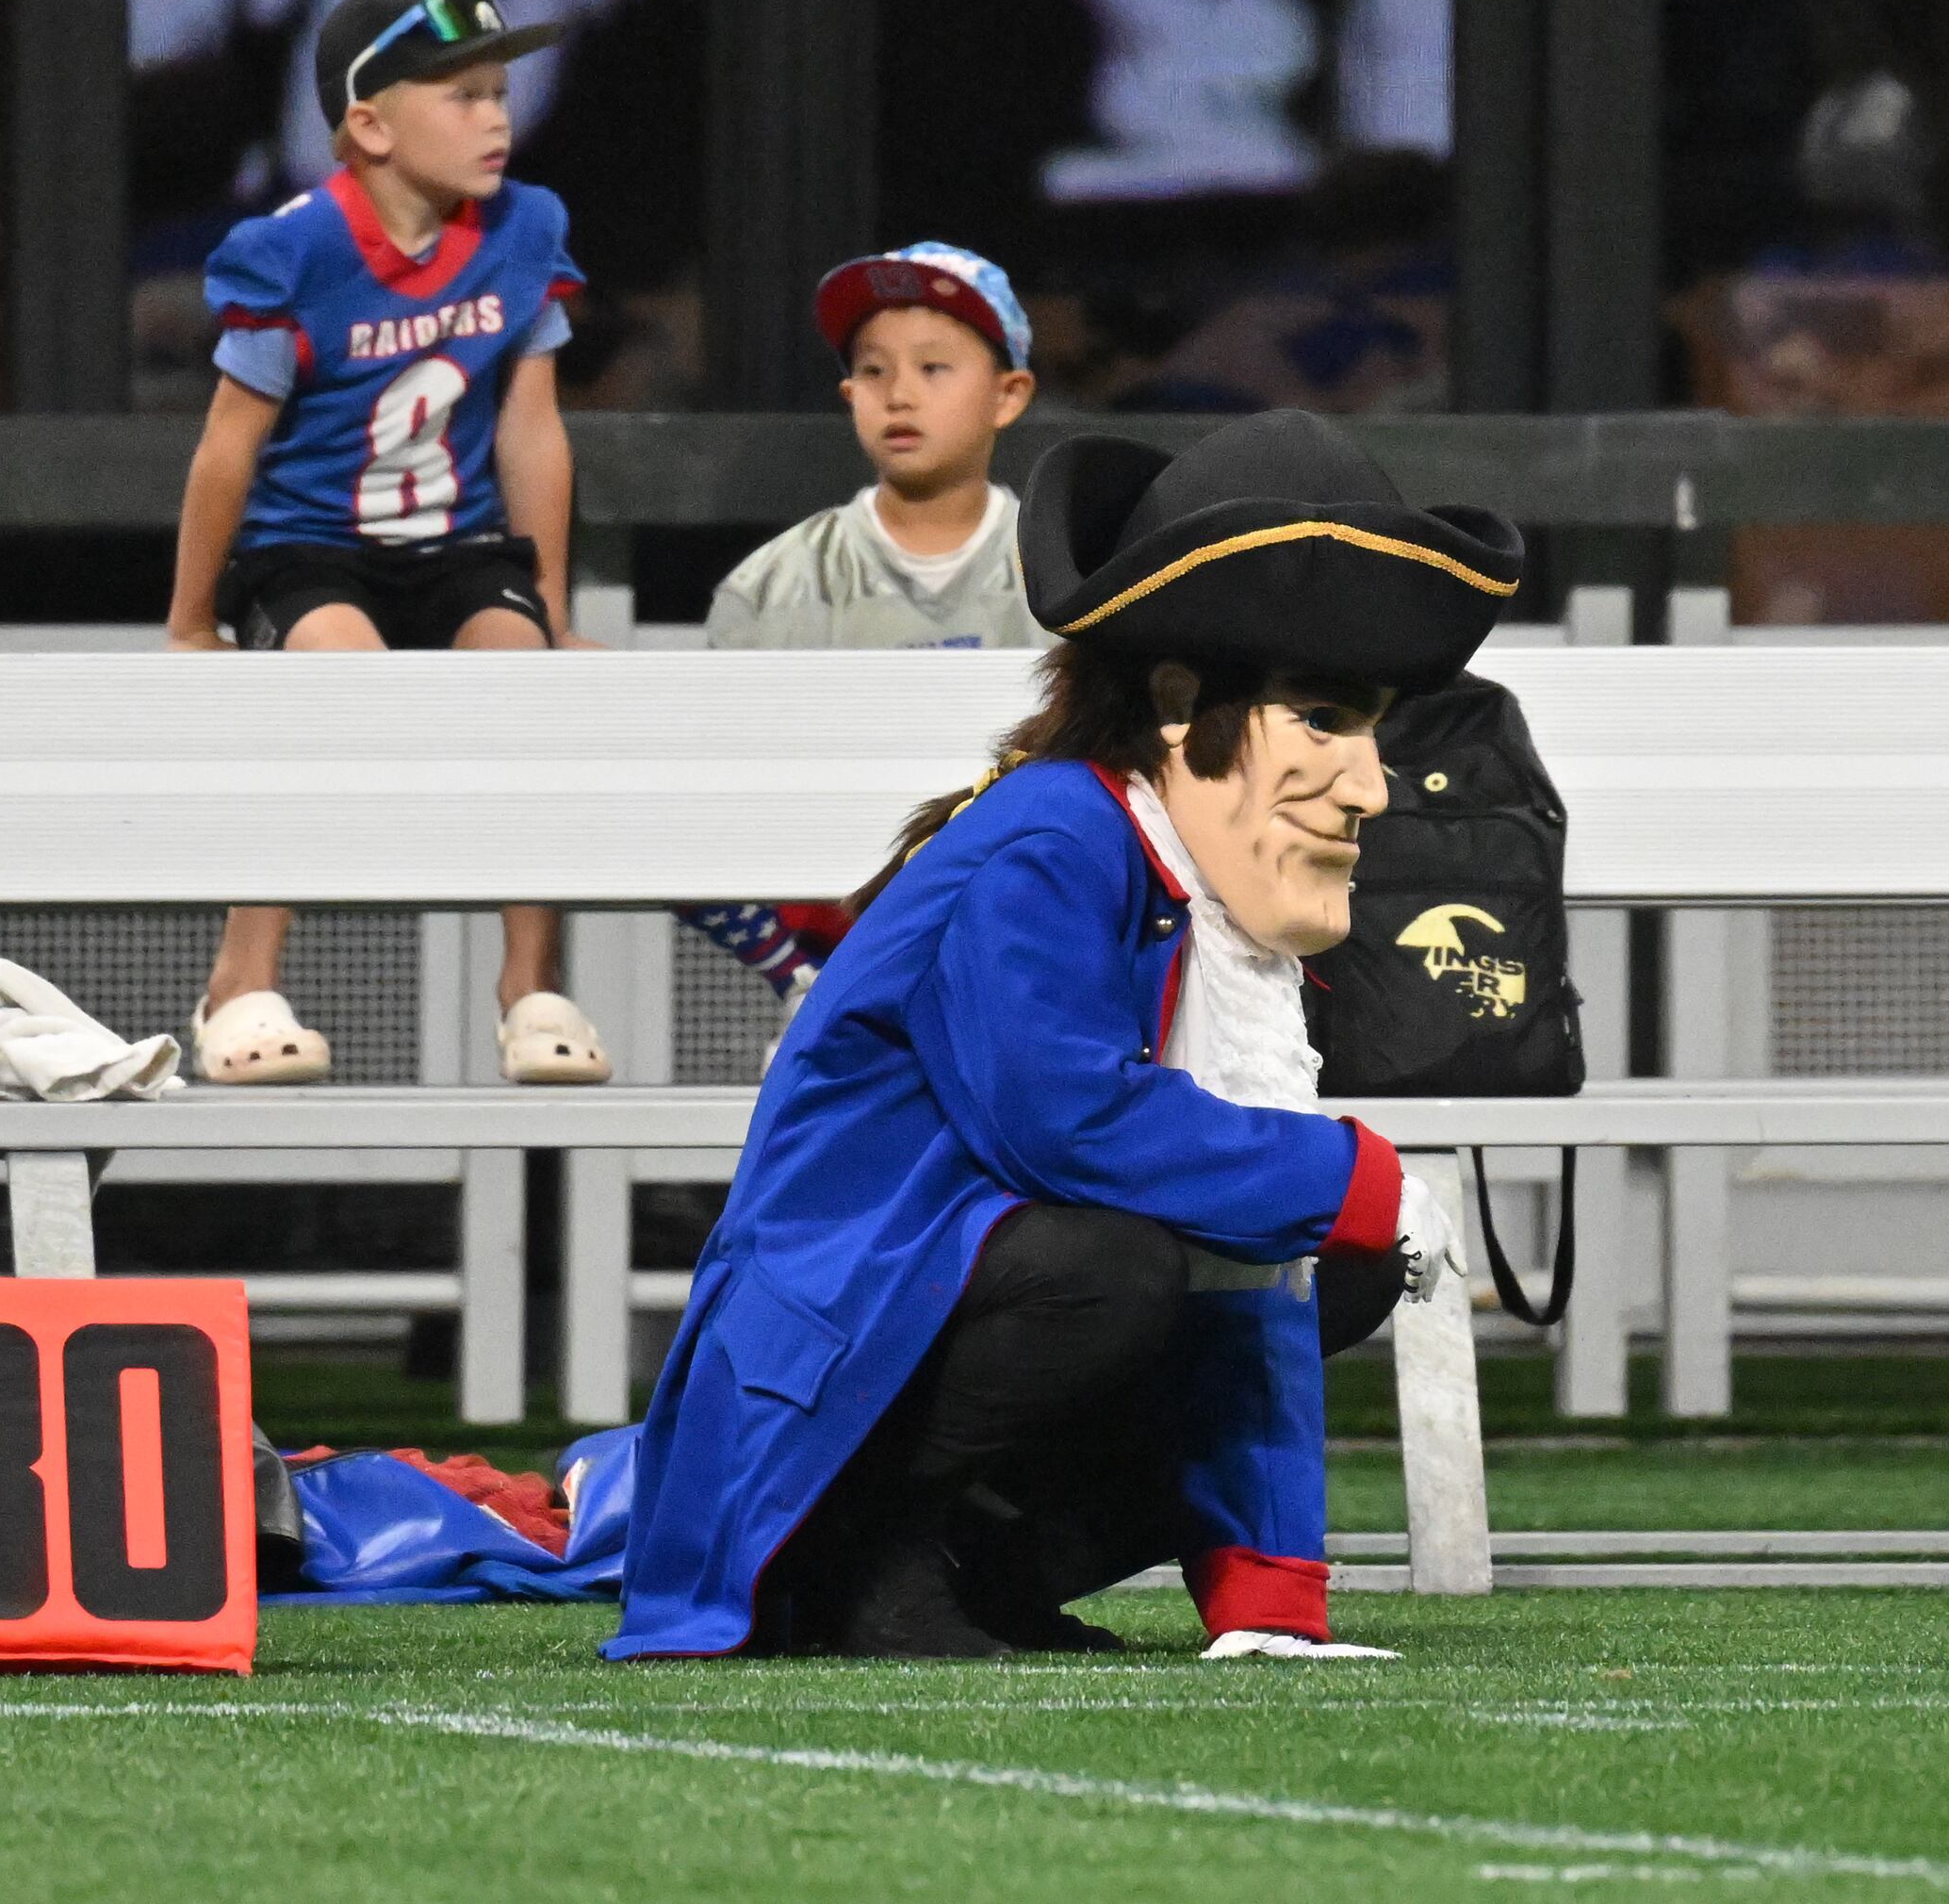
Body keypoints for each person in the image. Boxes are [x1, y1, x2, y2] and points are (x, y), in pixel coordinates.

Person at [607, 411, 1502, 1661]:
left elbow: (1253, 1270)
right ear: (1183, 702)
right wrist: (1346, 1172)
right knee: (1117, 1264)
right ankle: (858, 1559)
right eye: (1324, 720)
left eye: (1371, 729)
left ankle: (985, 1574)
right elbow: (1064, 1118)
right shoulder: (1050, 842)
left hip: (925, 1307)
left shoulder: (1195, 886)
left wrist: (1268, 1604)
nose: (1370, 783)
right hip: (804, 1386)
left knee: (1318, 1253)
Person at [162, 0, 609, 1087]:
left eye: (501, 91)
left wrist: (549, 610)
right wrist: (187, 623)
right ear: (367, 123)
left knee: (522, 684)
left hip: (457, 545)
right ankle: (244, 974)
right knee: (339, 694)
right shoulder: (293, 250)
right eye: (461, 95)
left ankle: (529, 983)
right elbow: (228, 448)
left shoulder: (528, 228)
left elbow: (533, 430)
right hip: (314, 547)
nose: (497, 118)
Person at [683, 244, 1045, 1013]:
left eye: (934, 367)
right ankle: (811, 993)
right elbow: (717, 798)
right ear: (848, 392)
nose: (899, 395)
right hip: (832, 941)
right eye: (874, 371)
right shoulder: (771, 586)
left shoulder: (1065, 574)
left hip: (1022, 933)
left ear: (1008, 395)